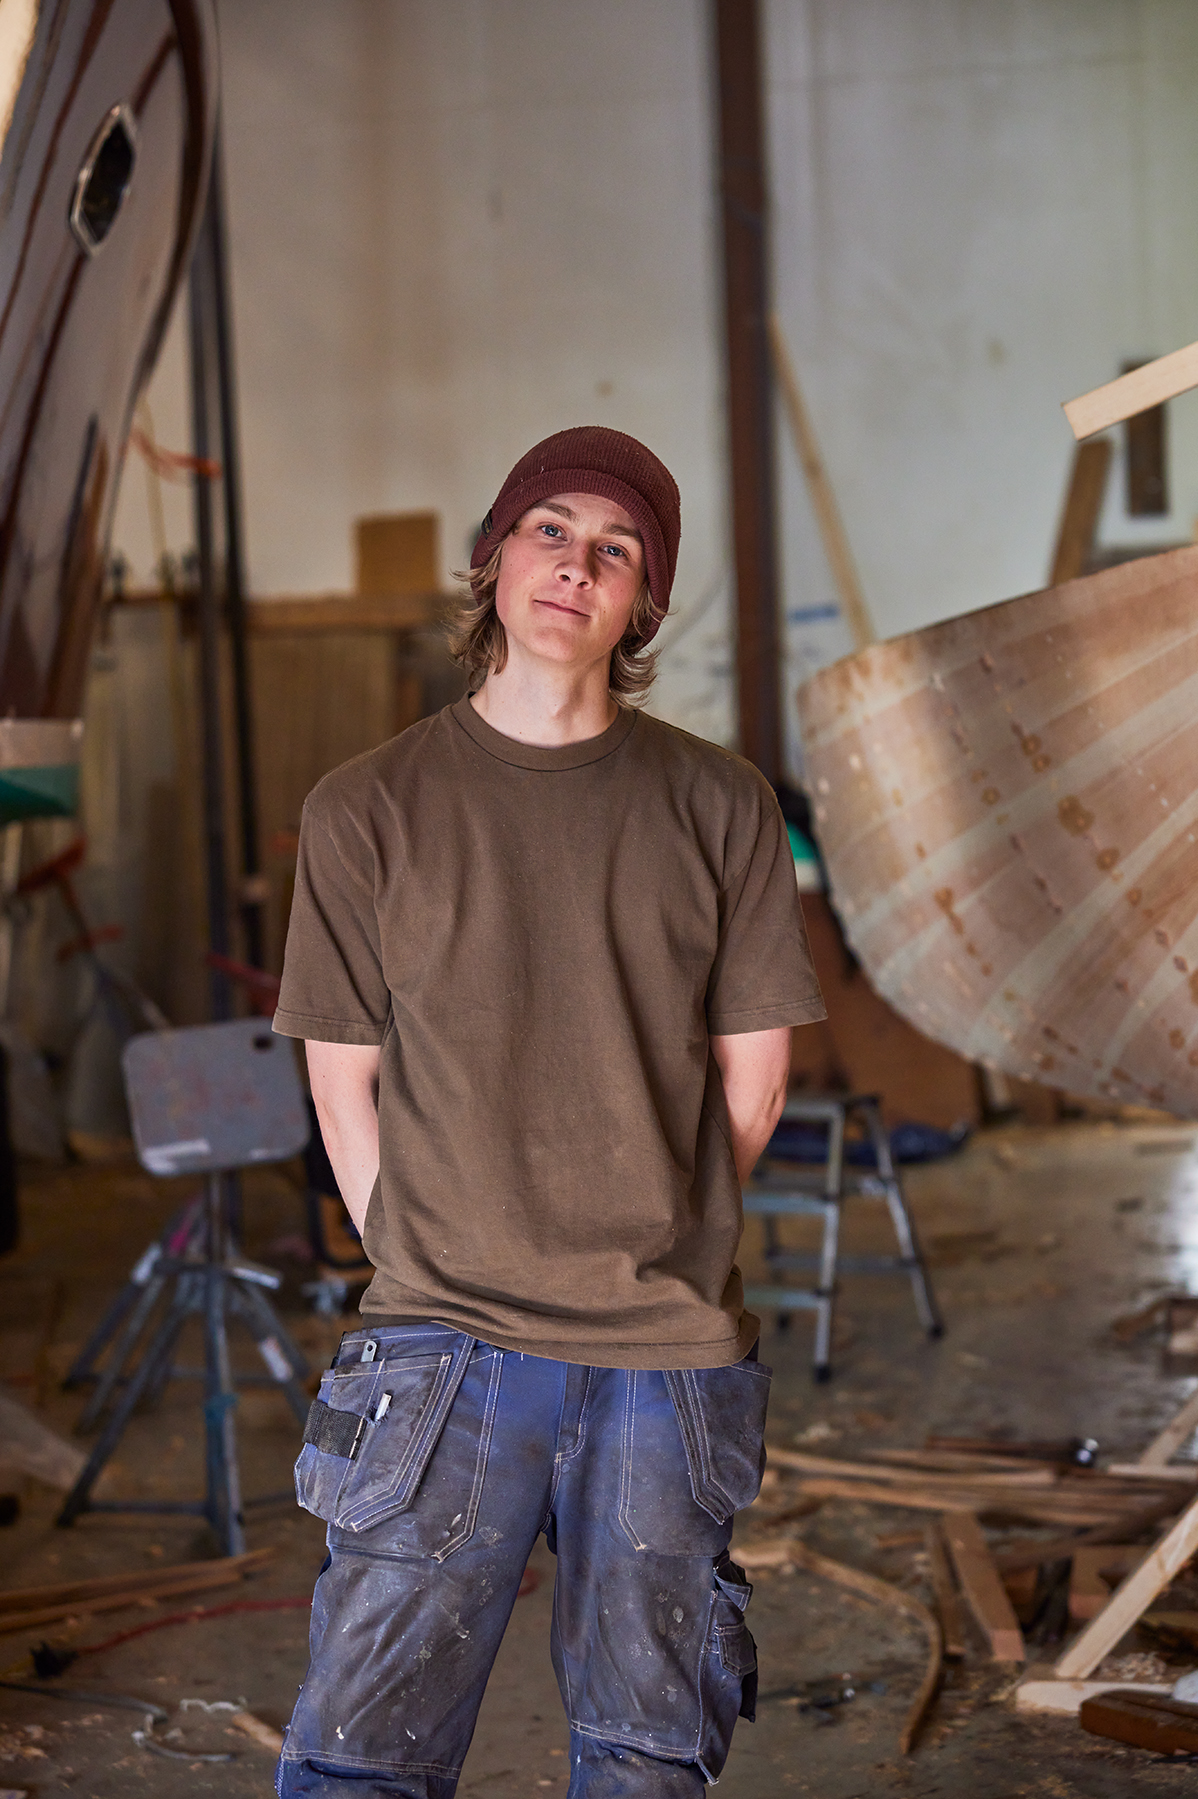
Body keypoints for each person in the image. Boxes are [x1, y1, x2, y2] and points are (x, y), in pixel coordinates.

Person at [273, 426, 826, 1798]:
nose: (578, 565)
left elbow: (754, 1082)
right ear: (494, 560)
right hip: (441, 1338)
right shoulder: (366, 809)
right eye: (552, 530)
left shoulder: (722, 804)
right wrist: (429, 1253)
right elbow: (342, 1079)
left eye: (616, 549)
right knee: (364, 1760)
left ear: (643, 603)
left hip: (663, 1351)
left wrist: (660, 1233)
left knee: (646, 1756)